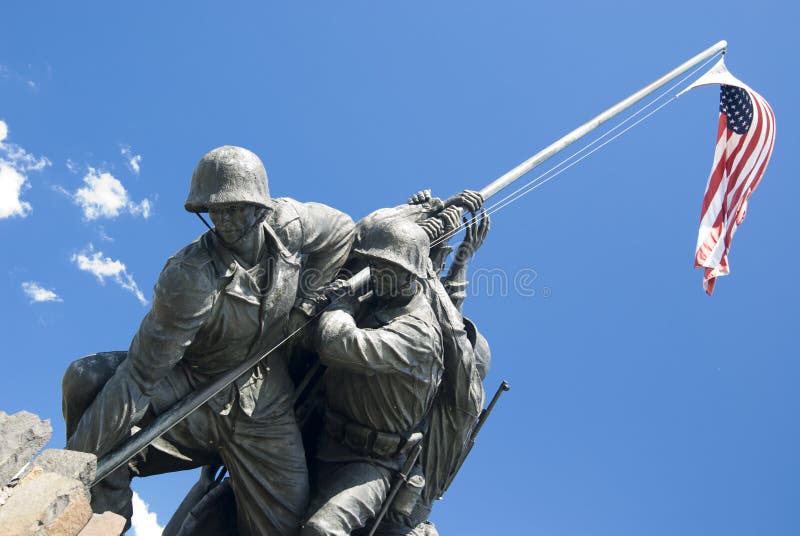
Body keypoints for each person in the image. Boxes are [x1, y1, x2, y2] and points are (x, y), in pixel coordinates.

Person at [62, 145, 355, 535]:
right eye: (215, 210)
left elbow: (342, 233)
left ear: (260, 207)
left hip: (266, 404)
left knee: (284, 526)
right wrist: (70, 470)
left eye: (234, 208)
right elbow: (139, 378)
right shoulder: (189, 278)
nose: (224, 221)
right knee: (95, 406)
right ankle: (107, 516)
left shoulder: (291, 225)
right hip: (194, 391)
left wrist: (307, 297)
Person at [300, 218, 444, 536]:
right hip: (321, 434)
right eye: (375, 264)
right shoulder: (377, 300)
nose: (377, 274)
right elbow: (309, 340)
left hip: (372, 463)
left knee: (322, 530)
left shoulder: (418, 332)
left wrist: (341, 309)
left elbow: (338, 345)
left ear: (412, 273)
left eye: (388, 267)